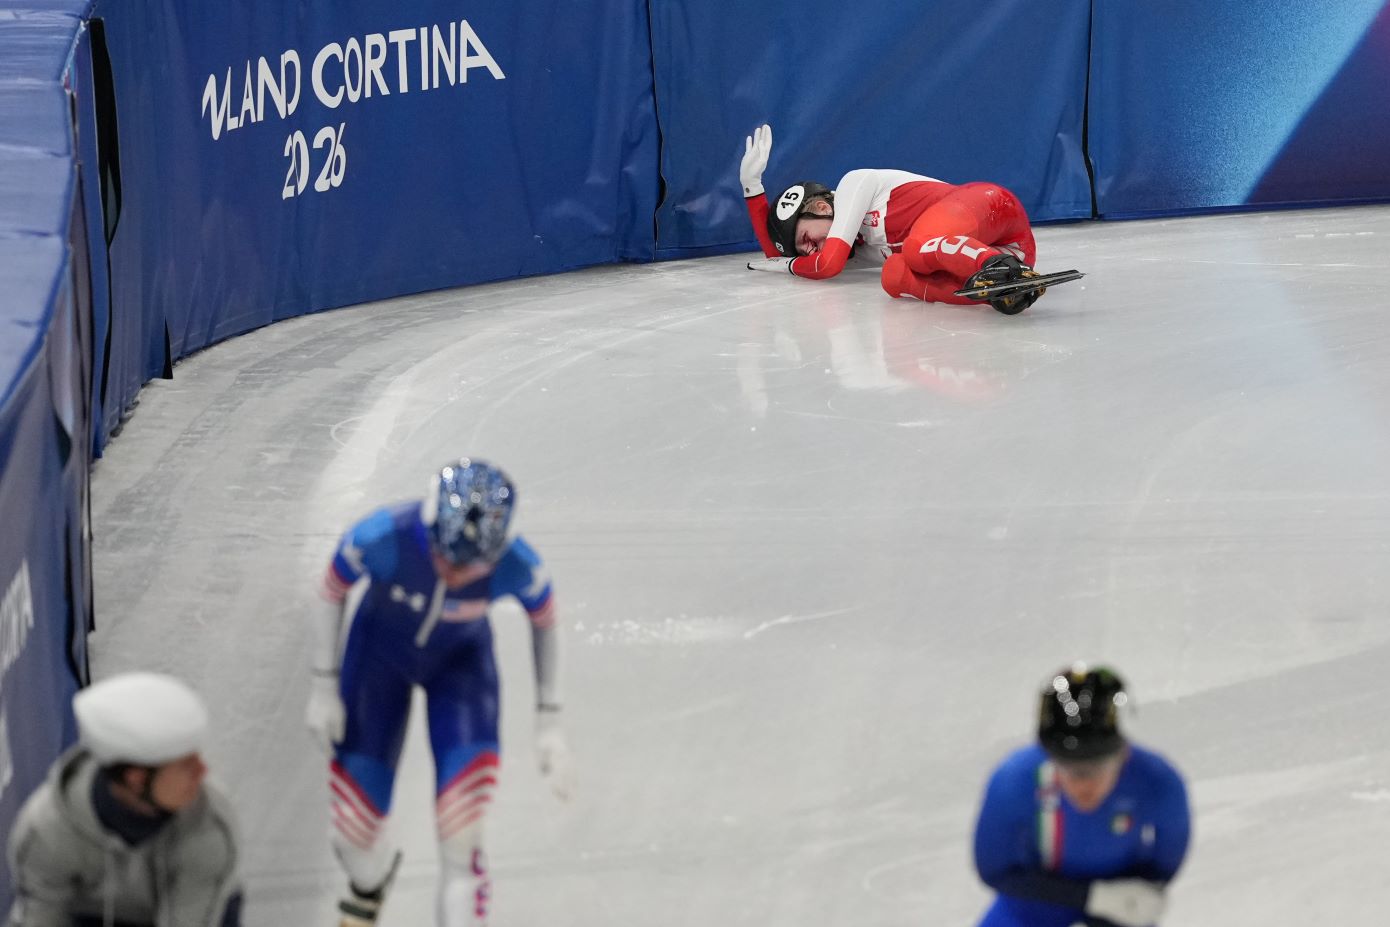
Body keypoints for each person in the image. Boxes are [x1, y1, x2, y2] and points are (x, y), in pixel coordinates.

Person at [306, 458, 574, 927]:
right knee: (352, 837)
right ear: (430, 527)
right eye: (446, 557)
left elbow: (546, 623)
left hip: (462, 675)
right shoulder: (382, 535)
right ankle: (369, 886)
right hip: (377, 666)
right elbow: (331, 590)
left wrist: (550, 717)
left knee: (460, 833)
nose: (454, 572)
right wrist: (323, 684)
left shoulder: (520, 564)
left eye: (471, 567)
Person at [6, 672, 243, 927]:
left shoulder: (209, 828)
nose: (203, 772)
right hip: (86, 913)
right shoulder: (47, 832)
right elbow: (41, 919)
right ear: (136, 779)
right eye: (186, 765)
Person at [739, 123, 1049, 314]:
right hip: (1013, 255)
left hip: (993, 207)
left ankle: (994, 270)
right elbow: (776, 258)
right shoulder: (856, 249)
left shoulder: (853, 183)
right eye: (803, 251)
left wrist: (790, 265)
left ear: (821, 208)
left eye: (805, 240)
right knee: (894, 275)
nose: (808, 252)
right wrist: (752, 189)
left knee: (915, 248)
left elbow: (825, 266)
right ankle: (1001, 291)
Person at [971, 665, 1190, 927]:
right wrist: (1092, 897)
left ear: (1124, 753)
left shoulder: (1159, 782)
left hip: (1117, 912)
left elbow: (1162, 869)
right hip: (1031, 909)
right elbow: (994, 870)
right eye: (1069, 768)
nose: (1085, 785)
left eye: (1099, 767)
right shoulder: (1014, 780)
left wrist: (1112, 913)